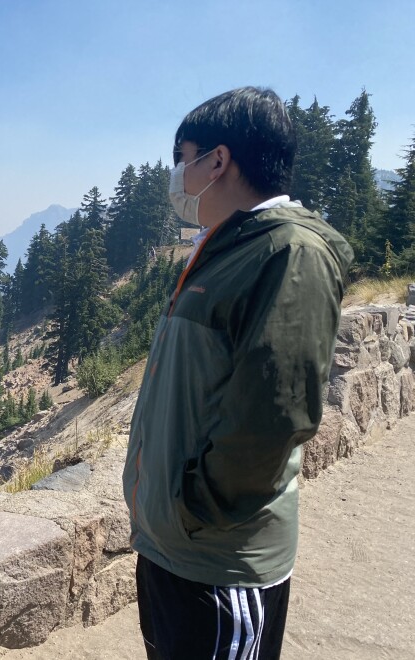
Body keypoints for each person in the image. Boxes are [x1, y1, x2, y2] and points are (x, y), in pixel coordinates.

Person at [122, 87, 353, 659]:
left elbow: (274, 414)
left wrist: (194, 508)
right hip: (175, 547)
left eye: (184, 159)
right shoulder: (231, 247)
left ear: (218, 161)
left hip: (219, 560)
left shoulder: (289, 254)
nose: (178, 176)